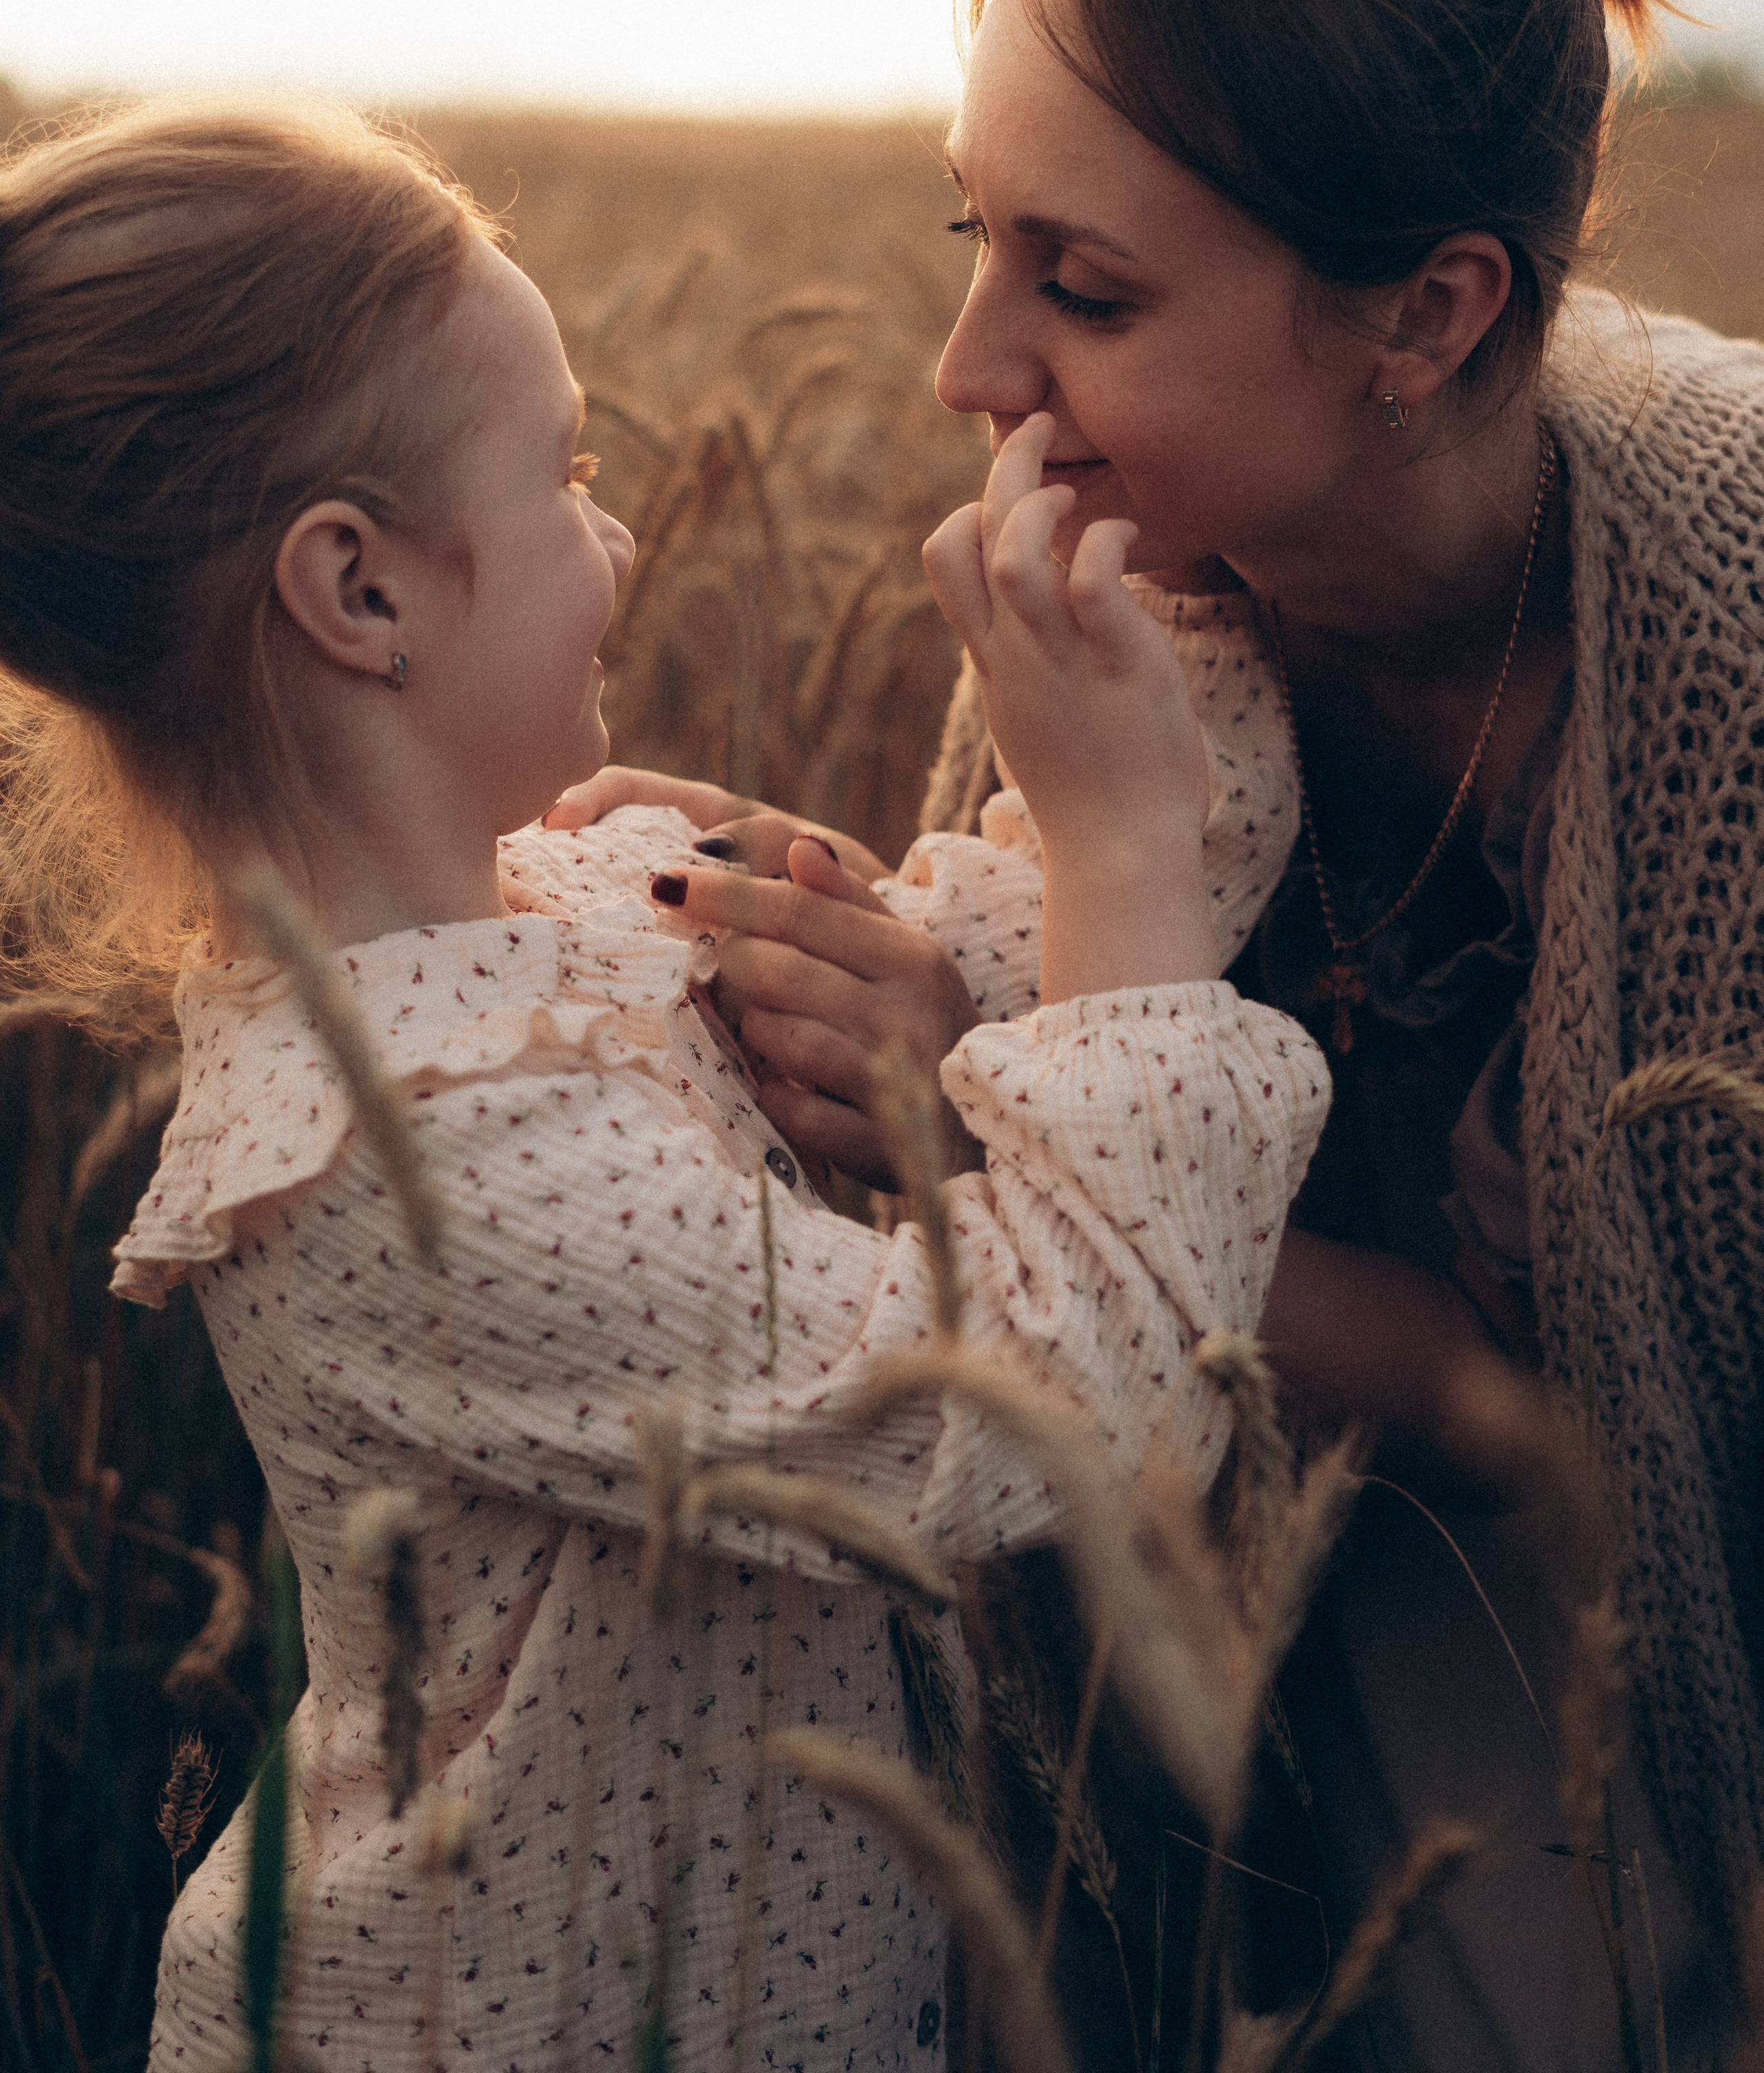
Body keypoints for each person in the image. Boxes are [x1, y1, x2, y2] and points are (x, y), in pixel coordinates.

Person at [564, 0, 1764, 2062]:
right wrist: (775, 937)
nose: (964, 373)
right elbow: (1031, 1055)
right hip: (1364, 1582)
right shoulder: (1173, 577)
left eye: (1083, 287)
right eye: (972, 238)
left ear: (1422, 318)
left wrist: (961, 1103)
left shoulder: (1722, 669)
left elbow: (1627, 1439)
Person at [0, 102, 1329, 2068]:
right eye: (569, 472)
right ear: (358, 594)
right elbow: (1072, 1407)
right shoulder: (401, 1156)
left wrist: (1173, 615)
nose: (623, 535)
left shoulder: (593, 898)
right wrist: (1117, 853)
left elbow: (1050, 968)